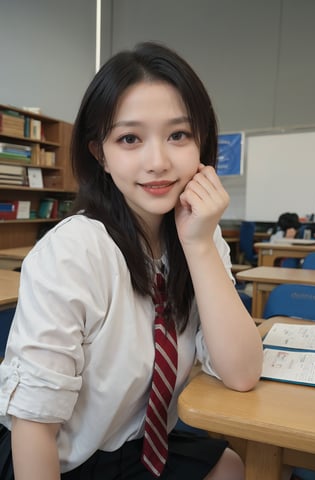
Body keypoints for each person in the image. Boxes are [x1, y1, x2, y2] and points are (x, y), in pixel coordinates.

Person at [0, 42, 263, 479]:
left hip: (141, 443)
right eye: (129, 139)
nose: (158, 162)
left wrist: (198, 246)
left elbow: (241, 373)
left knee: (230, 467)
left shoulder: (200, 231)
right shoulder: (74, 252)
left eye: (178, 135)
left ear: (202, 142)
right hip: (65, 455)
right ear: (100, 154)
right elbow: (34, 428)